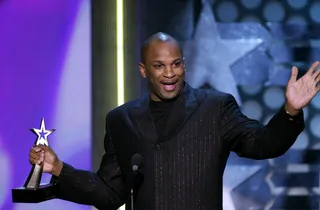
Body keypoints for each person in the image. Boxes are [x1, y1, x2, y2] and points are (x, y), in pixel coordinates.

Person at [29, 32, 320, 210]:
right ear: (144, 70)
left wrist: (289, 111)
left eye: (176, 64)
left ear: (183, 64)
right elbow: (108, 194)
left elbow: (263, 144)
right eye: (159, 66)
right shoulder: (121, 120)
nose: (170, 73)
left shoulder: (215, 107)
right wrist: (59, 169)